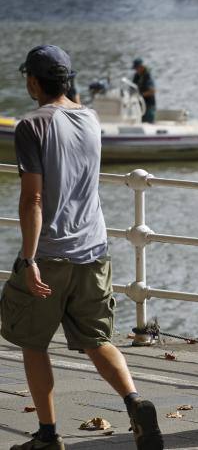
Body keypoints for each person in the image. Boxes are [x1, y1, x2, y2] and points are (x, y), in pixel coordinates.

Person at [3, 45, 163, 450]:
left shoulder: (31, 126)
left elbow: (33, 200)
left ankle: (48, 434)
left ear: (33, 81)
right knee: (97, 340)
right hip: (94, 250)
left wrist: (28, 257)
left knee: (33, 342)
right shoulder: (91, 119)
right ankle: (134, 400)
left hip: (51, 253)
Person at [132, 57, 156, 124]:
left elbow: (152, 91)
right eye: (135, 68)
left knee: (148, 123)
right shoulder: (136, 76)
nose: (136, 70)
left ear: (142, 67)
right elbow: (132, 87)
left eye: (137, 68)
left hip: (148, 106)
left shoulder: (148, 76)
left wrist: (141, 95)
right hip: (138, 106)